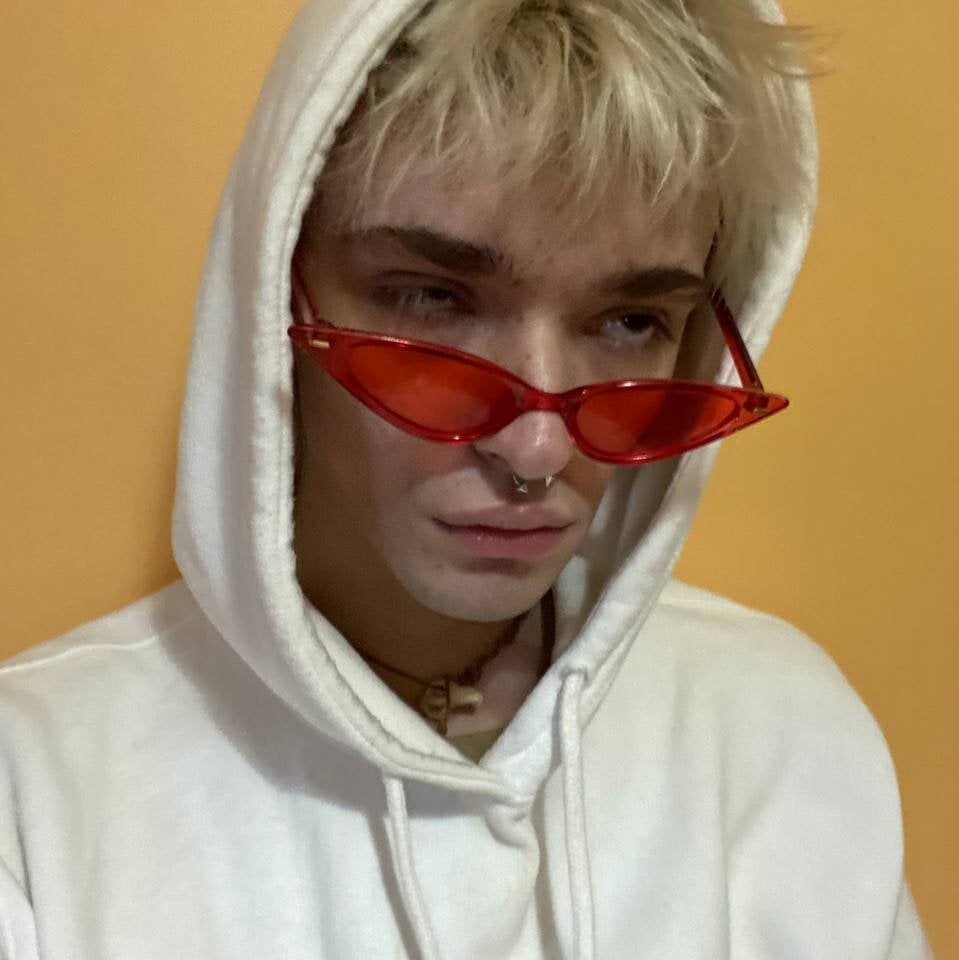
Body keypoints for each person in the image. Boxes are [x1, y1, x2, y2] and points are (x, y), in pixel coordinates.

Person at [0, 0, 933, 957]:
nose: (536, 448)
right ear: (272, 295)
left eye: (629, 322)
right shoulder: (38, 798)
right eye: (431, 299)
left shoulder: (781, 735)